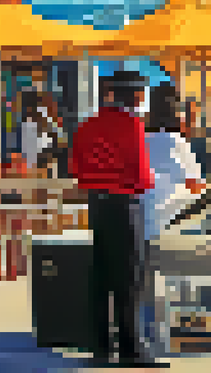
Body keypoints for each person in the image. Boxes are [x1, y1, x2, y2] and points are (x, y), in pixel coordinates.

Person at [139, 88, 211, 359]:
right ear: (177, 114)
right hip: (158, 241)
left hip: (135, 237)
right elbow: (197, 188)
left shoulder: (141, 142)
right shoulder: (174, 142)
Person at [69, 71, 161, 369]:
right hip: (124, 203)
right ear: (134, 94)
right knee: (129, 278)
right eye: (141, 93)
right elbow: (141, 174)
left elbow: (76, 168)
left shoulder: (87, 125)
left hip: (97, 203)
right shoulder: (132, 124)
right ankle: (132, 351)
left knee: (101, 275)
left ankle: (101, 347)